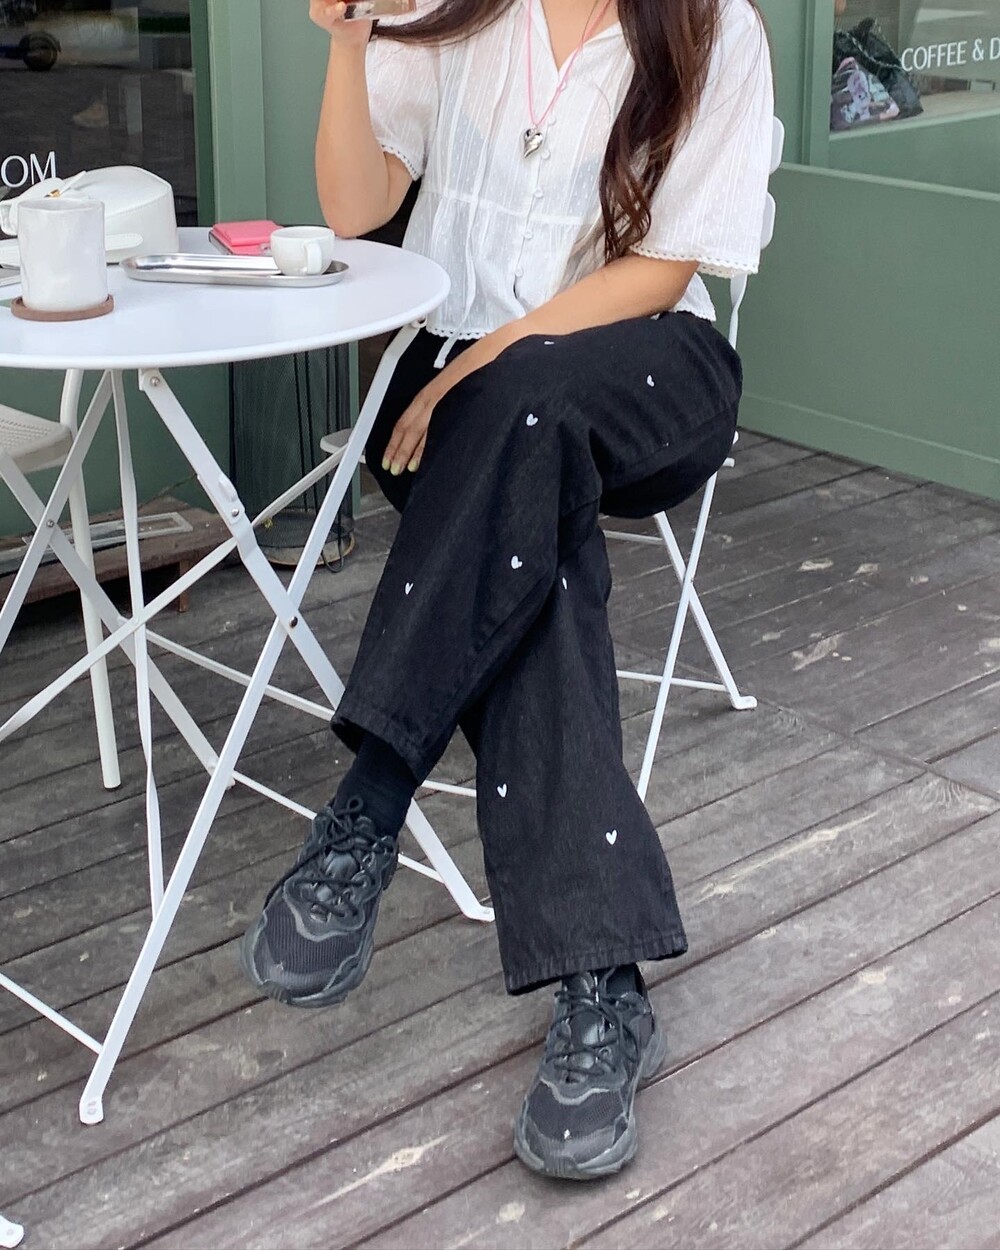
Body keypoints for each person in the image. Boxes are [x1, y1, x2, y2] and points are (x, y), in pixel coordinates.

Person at [242, 0, 773, 1179]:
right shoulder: (454, 12)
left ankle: (372, 795)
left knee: (524, 417)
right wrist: (347, 47)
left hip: (640, 365)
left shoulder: (710, 26)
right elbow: (355, 207)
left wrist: (492, 359)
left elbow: (666, 266)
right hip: (452, 394)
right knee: (533, 541)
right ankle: (601, 988)